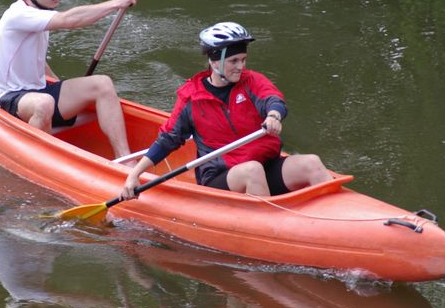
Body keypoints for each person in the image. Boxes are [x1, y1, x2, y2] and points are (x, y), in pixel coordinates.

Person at [120, 21, 332, 199]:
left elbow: (273, 100)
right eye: (233, 61)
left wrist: (274, 116)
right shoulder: (191, 98)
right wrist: (134, 174)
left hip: (264, 163)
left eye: (243, 59)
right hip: (220, 176)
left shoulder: (251, 82)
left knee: (311, 163)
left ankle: (336, 224)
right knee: (252, 171)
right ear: (214, 62)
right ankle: (267, 233)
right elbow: (168, 140)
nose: (240, 66)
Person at [0, 0, 137, 159]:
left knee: (102, 84)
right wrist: (116, 3)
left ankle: (126, 161)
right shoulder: (18, 15)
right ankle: (40, 160)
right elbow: (69, 20)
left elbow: (37, 59)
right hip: (8, 97)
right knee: (44, 103)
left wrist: (58, 86)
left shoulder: (41, 12)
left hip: (36, 92)